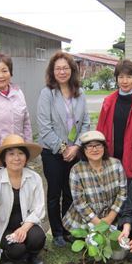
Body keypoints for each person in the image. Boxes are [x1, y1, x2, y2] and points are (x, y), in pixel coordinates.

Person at [37, 51, 90, 248]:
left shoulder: (80, 93)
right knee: (54, 193)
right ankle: (57, 231)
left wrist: (76, 147)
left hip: (74, 152)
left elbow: (85, 123)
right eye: (58, 68)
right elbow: (44, 127)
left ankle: (69, 229)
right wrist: (62, 148)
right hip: (52, 152)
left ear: (72, 70)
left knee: (71, 192)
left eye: (65, 68)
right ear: (52, 71)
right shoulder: (47, 94)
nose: (62, 71)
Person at [0, 135, 46, 264]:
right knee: (17, 250)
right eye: (11, 154)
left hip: (25, 224)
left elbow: (39, 208)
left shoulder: (34, 178)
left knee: (38, 237)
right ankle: (11, 256)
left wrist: (24, 228)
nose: (16, 158)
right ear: (4, 158)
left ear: (26, 157)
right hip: (3, 227)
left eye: (20, 153)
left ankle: (31, 257)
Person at [63, 130, 127, 231]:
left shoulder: (116, 164)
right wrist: (98, 223)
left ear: (104, 147)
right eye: (90, 146)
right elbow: (79, 202)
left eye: (98, 145)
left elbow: (122, 192)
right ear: (83, 149)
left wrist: (110, 218)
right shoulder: (76, 170)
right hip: (85, 220)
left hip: (113, 217)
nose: (95, 149)